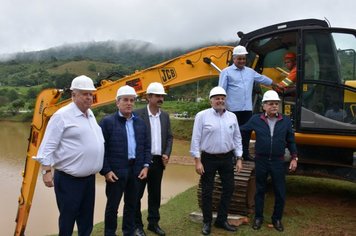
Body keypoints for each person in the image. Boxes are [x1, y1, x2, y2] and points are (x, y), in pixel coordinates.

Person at [33, 75, 105, 236]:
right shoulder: (62, 116)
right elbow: (47, 146)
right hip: (69, 180)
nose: (89, 97)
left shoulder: (90, 114)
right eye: (84, 93)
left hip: (88, 179)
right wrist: (46, 171)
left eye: (90, 93)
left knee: (86, 219)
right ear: (73, 95)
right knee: (68, 218)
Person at [240, 90, 298, 232]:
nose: (274, 106)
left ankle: (276, 219)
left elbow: (291, 140)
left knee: (280, 191)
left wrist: (294, 158)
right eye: (271, 103)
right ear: (264, 106)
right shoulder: (256, 119)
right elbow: (242, 130)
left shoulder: (285, 121)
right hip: (261, 160)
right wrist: (242, 150)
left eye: (276, 104)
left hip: (278, 161)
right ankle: (258, 218)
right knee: (260, 190)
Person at [190, 86, 243, 235]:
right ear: (210, 101)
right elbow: (196, 139)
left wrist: (239, 158)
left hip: (227, 158)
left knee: (229, 187)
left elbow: (237, 138)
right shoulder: (202, 116)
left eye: (222, 98)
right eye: (217, 98)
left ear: (225, 100)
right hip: (208, 158)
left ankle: (221, 219)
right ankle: (207, 222)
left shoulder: (232, 117)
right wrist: (197, 161)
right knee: (207, 190)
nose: (220, 100)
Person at [99, 85, 151, 236]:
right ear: (117, 102)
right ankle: (110, 233)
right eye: (125, 100)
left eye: (132, 100)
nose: (129, 103)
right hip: (115, 172)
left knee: (132, 205)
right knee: (112, 207)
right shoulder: (107, 122)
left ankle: (128, 232)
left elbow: (146, 146)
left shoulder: (140, 122)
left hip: (136, 170)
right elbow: (101, 149)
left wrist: (146, 166)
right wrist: (106, 170)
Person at [219, 45, 281, 161]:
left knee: (246, 132)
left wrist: (274, 84)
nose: (242, 61)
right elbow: (221, 90)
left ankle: (245, 154)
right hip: (232, 109)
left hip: (247, 109)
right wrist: (222, 108)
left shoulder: (250, 72)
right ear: (234, 58)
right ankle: (232, 155)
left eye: (243, 58)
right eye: (239, 59)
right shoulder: (226, 72)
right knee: (232, 132)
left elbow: (261, 78)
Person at [134, 82, 173, 236]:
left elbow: (169, 137)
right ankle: (137, 225)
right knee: (137, 194)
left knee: (155, 194)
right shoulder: (138, 115)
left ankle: (153, 223)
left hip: (158, 162)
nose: (160, 98)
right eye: (157, 95)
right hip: (141, 161)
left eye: (162, 96)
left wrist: (167, 153)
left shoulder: (165, 116)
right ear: (148, 97)